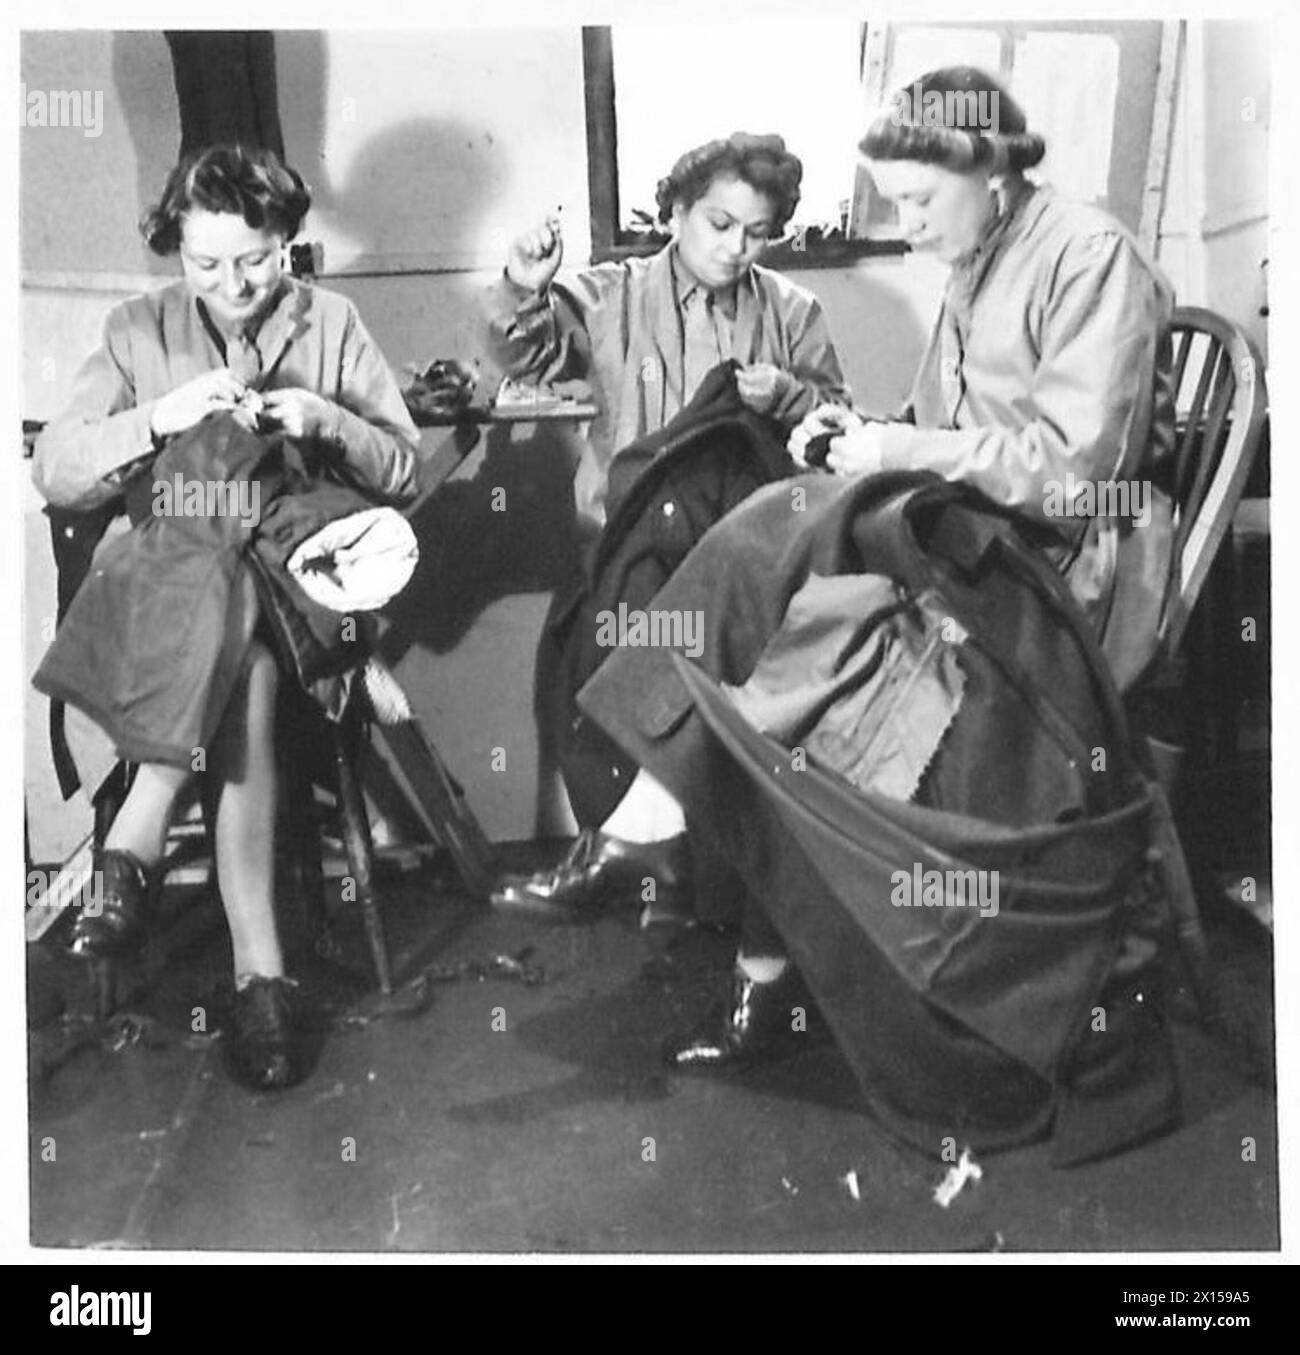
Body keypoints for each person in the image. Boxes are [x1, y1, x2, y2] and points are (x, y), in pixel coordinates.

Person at [507, 68, 1184, 1160]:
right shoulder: (976, 264)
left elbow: (1075, 475)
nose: (909, 231)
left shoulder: (1085, 254)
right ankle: (734, 942)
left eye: (919, 203)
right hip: (979, 539)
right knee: (786, 544)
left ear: (989, 168)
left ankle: (645, 819)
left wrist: (891, 450)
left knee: (784, 540)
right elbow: (926, 427)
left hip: (1062, 570)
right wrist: (842, 424)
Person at [31, 145, 421, 1089]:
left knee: (241, 632)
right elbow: (57, 468)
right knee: (219, 601)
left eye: (256, 260)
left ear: (289, 244)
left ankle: (133, 845)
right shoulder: (135, 330)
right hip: (163, 595)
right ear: (176, 251)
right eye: (205, 264)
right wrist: (159, 420)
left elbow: (404, 470)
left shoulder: (332, 322)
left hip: (288, 603)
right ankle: (262, 981)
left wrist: (325, 422)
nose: (233, 284)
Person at [485, 132, 851, 917]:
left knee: (678, 596)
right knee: (621, 616)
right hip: (621, 548)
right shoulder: (608, 296)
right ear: (676, 211)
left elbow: (838, 433)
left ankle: (637, 845)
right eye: (719, 224)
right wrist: (524, 283)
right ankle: (652, 845)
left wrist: (787, 396)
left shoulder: (793, 313)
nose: (736, 248)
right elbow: (525, 356)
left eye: (758, 233)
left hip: (750, 556)